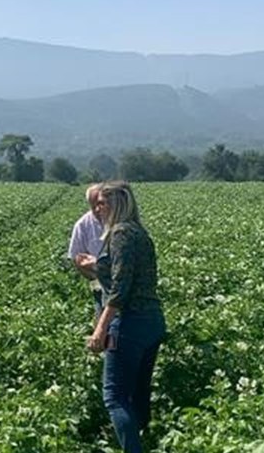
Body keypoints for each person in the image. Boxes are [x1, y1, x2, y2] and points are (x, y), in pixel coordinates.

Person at [86, 181, 165, 453]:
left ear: (118, 204)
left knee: (115, 397)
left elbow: (121, 288)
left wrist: (100, 328)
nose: (98, 208)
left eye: (103, 203)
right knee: (139, 392)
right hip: (152, 321)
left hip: (129, 323)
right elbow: (131, 275)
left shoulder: (120, 234)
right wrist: (97, 267)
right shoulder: (139, 233)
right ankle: (143, 441)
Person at [68, 183, 107, 316]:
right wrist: (98, 278)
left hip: (125, 285)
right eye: (93, 205)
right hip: (100, 285)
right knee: (102, 321)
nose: (97, 209)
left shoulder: (120, 222)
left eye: (100, 204)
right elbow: (77, 260)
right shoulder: (82, 226)